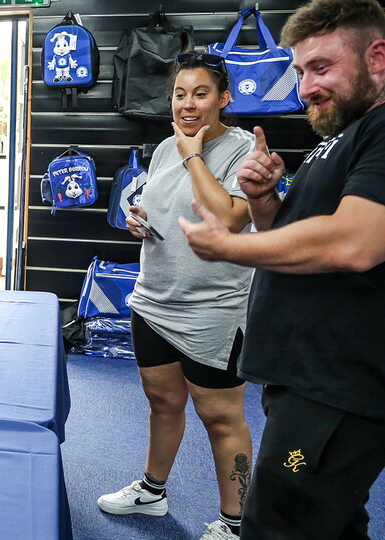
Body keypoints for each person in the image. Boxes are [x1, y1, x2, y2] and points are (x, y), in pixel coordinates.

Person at [178, 1, 385, 537]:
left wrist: (229, 246)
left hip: (336, 388)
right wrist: (264, 198)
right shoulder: (342, 136)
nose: (306, 87)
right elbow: (288, 239)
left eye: (322, 67)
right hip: (304, 377)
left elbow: (357, 243)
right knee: (328, 520)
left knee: (279, 519)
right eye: (300, 72)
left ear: (378, 58)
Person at [96, 51, 256, 540]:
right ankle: (152, 491)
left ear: (223, 99)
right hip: (154, 298)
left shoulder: (244, 150)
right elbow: (161, 204)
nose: (188, 104)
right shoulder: (167, 147)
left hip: (214, 307)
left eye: (201, 94)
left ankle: (237, 522)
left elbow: (230, 217)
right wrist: (138, 219)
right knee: (163, 402)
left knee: (221, 417)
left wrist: (192, 153)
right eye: (180, 94)